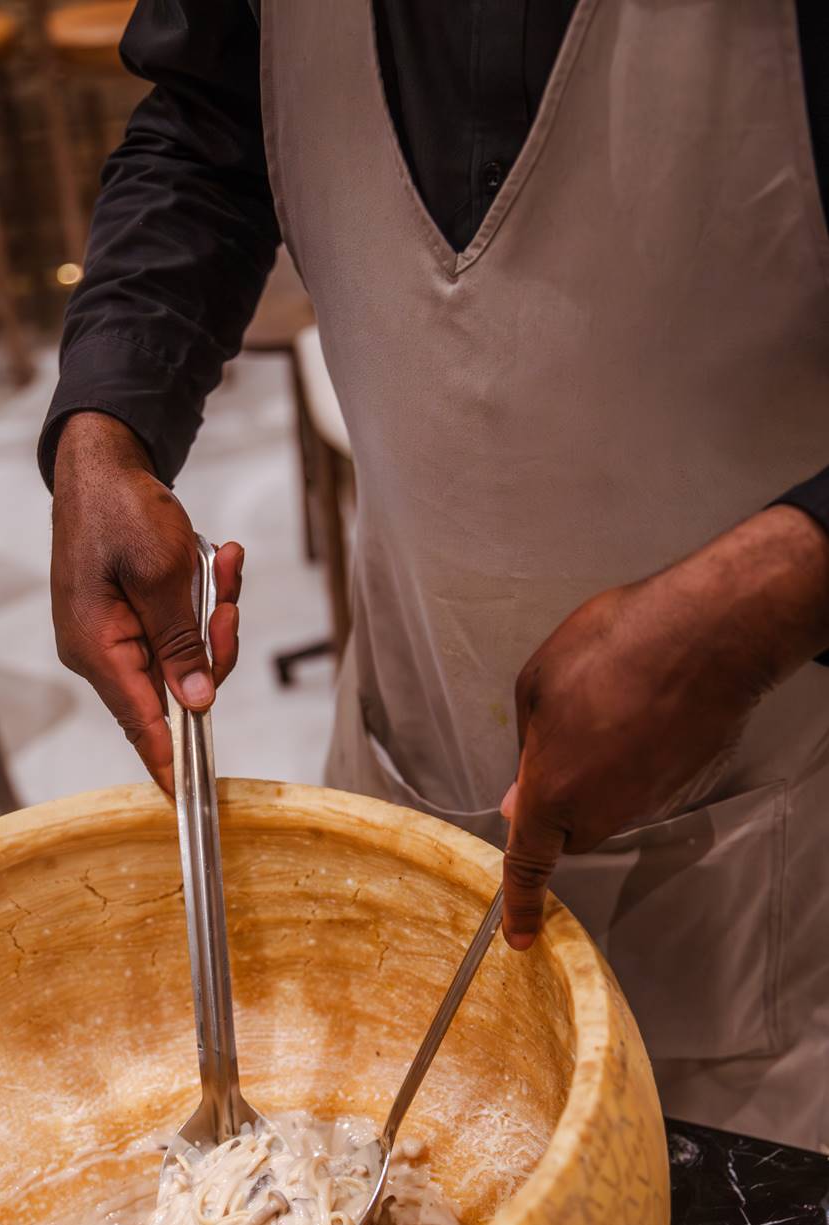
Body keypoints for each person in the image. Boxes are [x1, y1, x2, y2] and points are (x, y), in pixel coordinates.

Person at [42, 2, 829, 1150]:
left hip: (775, 866)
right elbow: (209, 125)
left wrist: (775, 589)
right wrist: (104, 424)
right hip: (405, 742)